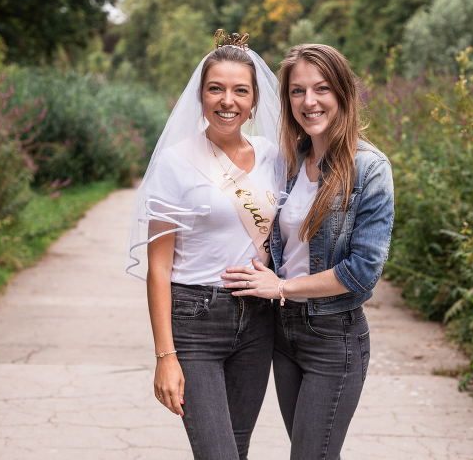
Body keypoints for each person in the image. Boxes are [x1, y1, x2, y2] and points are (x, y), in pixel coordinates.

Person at [221, 44, 395, 460]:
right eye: (297, 91)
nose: (309, 101)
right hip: (284, 332)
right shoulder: (290, 162)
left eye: (321, 89)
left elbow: (362, 271)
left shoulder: (369, 168)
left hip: (333, 337)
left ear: (342, 94)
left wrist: (282, 285)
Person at [125, 31, 285, 460]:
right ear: (200, 95)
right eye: (216, 88)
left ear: (254, 102)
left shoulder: (274, 156)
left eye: (239, 91)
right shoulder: (176, 161)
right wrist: (165, 356)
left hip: (257, 320)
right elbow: (158, 268)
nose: (226, 100)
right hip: (195, 320)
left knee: (237, 449)